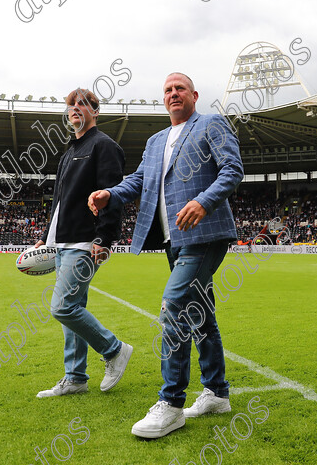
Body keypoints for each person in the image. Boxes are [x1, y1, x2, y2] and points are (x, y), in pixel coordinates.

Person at [88, 72, 243, 439]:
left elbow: (232, 170)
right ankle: (217, 393)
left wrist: (203, 202)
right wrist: (110, 193)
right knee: (200, 314)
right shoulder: (157, 140)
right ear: (164, 99)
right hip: (173, 239)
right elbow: (140, 180)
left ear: (194, 95)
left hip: (205, 234)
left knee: (173, 305)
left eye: (180, 89)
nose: (174, 94)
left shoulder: (211, 124)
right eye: (168, 90)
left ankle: (171, 404)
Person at [34, 88, 133, 398]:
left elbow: (112, 195)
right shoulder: (67, 152)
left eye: (82, 104)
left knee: (62, 307)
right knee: (73, 308)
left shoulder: (104, 146)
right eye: (70, 105)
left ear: (95, 112)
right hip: (62, 240)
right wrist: (45, 237)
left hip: (86, 241)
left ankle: (114, 350)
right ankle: (75, 377)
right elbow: (60, 201)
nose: (75, 109)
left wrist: (104, 238)